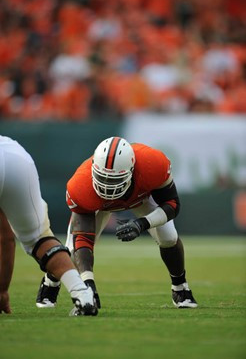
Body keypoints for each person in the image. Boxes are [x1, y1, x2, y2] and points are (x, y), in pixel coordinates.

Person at [36, 136, 197, 309]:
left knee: (169, 237)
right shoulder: (80, 184)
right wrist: (89, 285)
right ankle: (50, 282)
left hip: (141, 198)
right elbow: (83, 238)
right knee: (72, 250)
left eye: (114, 180)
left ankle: (180, 286)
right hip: (99, 205)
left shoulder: (152, 163)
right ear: (93, 170)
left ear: (132, 170)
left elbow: (173, 205)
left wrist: (141, 224)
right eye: (103, 178)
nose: (107, 186)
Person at [0, 135, 97, 316]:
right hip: (13, 154)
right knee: (38, 239)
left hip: (14, 154)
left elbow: (5, 238)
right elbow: (5, 239)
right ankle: (82, 293)